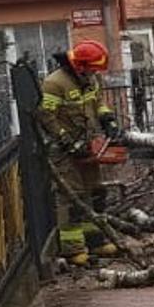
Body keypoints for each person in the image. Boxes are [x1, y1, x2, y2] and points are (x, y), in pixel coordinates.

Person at [36, 39, 119, 265]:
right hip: (64, 152)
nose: (94, 74)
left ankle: (96, 241)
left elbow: (97, 103)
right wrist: (66, 141)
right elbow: (46, 116)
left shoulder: (89, 80)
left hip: (86, 147)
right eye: (92, 69)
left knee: (96, 192)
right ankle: (72, 250)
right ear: (80, 66)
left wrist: (108, 119)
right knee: (72, 197)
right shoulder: (55, 83)